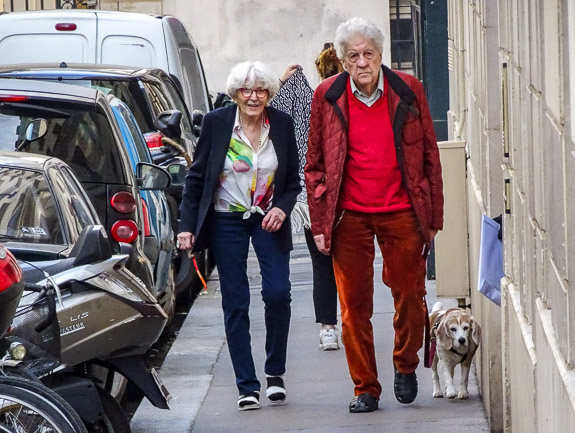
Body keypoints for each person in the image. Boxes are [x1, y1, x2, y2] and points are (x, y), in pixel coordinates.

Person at [305, 17, 444, 413]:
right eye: (353, 56)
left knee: (412, 298)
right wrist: (319, 222)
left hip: (403, 211)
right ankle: (365, 387)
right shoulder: (326, 96)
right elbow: (313, 164)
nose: (362, 62)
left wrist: (433, 215)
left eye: (368, 54)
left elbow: (430, 155)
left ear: (381, 55)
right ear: (342, 60)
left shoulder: (407, 89)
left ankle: (406, 364)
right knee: (353, 308)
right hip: (348, 216)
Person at [177, 61, 301, 411]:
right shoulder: (217, 124)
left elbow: (292, 182)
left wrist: (282, 207)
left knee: (278, 293)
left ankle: (275, 372)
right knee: (236, 301)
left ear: (269, 93)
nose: (253, 96)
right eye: (246, 90)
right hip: (226, 219)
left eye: (261, 90)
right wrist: (186, 226)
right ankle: (247, 385)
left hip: (268, 218)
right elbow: (197, 179)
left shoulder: (282, 124)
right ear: (235, 93)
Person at [271, 43, 344, 351]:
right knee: (354, 263)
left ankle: (329, 328)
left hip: (311, 196)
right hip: (350, 194)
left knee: (322, 263)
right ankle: (354, 323)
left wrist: (280, 84)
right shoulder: (350, 101)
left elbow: (264, 113)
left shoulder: (305, 100)